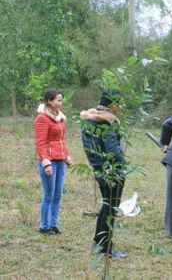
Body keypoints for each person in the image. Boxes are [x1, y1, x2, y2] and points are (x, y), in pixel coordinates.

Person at [80, 90, 127, 259]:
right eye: (118, 103)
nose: (120, 107)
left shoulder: (88, 121)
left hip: (98, 168)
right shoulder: (107, 123)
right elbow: (113, 151)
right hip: (112, 171)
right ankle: (105, 248)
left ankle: (98, 241)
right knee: (111, 208)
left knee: (106, 205)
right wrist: (123, 166)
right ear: (112, 104)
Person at [34, 88, 72, 235]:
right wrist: (45, 162)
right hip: (49, 161)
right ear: (49, 101)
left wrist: (67, 156)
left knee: (57, 194)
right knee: (48, 195)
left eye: (61, 100)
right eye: (58, 100)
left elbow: (61, 140)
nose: (60, 103)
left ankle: (53, 224)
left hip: (60, 160)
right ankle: (44, 227)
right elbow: (40, 142)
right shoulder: (42, 119)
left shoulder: (61, 117)